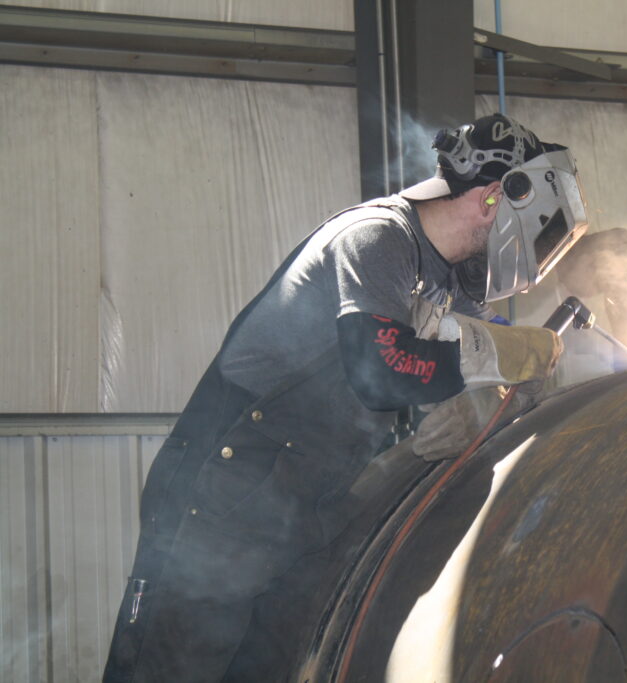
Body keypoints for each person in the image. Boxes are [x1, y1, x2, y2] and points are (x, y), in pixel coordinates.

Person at [103, 113, 589, 681]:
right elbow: (382, 370)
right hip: (224, 492)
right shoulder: (377, 239)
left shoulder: (450, 286)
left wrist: (481, 398)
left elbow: (451, 380)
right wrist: (501, 353)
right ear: (493, 198)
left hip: (303, 510)